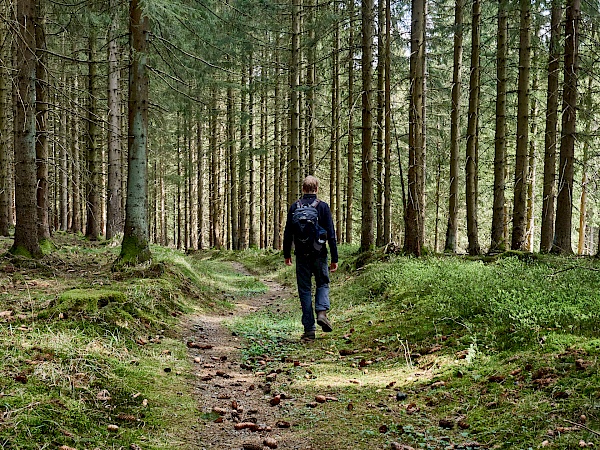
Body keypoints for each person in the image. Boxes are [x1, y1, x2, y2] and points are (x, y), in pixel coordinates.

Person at [283, 175, 338, 342]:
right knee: (322, 283)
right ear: (317, 189)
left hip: (301, 256)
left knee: (305, 290)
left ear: (303, 189)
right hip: (320, 254)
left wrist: (287, 254)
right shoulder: (322, 207)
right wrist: (334, 257)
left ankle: (309, 330)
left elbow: (288, 233)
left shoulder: (294, 207)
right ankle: (321, 312)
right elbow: (331, 234)